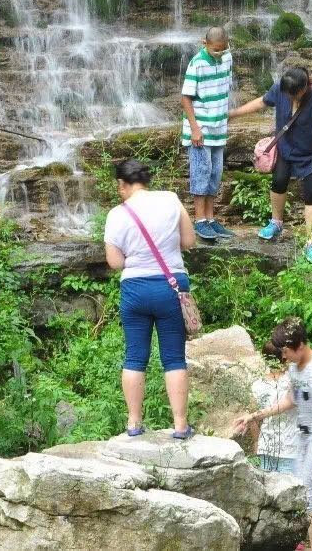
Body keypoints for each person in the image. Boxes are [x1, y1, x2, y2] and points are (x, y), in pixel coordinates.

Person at [104, 159, 197, 439]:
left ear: (122, 184)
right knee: (174, 358)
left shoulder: (117, 214)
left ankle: (134, 424)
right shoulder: (170, 199)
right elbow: (189, 241)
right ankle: (180, 426)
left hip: (134, 289)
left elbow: (115, 262)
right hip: (171, 286)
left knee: (134, 356)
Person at [233, 318, 312, 551]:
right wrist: (255, 416)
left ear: (300, 345)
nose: (283, 358)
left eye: (285, 352)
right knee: (310, 499)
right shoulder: (295, 366)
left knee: (309, 498)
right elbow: (289, 400)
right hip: (306, 437)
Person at [229, 66, 312, 263]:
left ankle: (311, 242)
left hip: (311, 153)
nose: (290, 97)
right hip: (286, 149)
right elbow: (261, 103)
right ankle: (276, 222)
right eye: (288, 94)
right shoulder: (281, 88)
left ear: (304, 88)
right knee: (278, 182)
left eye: (294, 94)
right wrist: (234, 113)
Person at [181, 26, 234, 242]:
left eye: (222, 50)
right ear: (205, 44)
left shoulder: (227, 57)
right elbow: (185, 98)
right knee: (201, 173)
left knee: (215, 174)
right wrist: (194, 129)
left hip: (219, 129)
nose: (219, 54)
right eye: (215, 50)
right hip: (200, 130)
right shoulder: (197, 63)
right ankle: (200, 221)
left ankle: (211, 219)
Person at [232, 341, 300, 474]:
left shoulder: (256, 385)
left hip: (265, 449)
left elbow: (254, 422)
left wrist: (257, 444)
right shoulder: (293, 380)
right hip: (291, 450)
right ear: (285, 356)